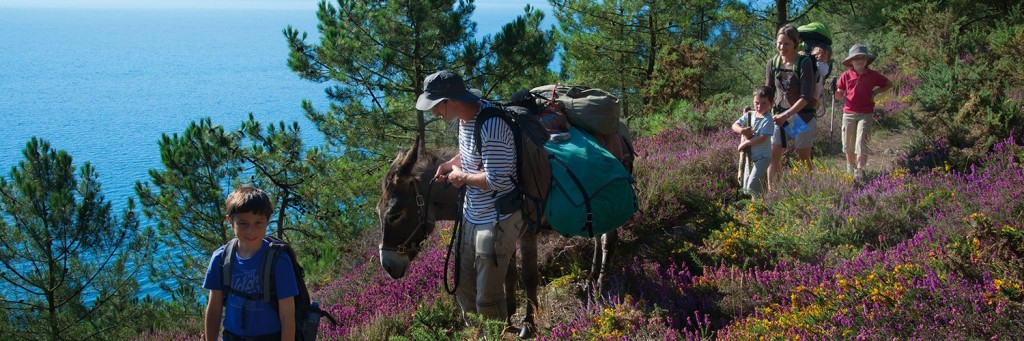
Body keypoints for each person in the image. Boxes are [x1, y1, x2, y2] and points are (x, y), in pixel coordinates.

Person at [416, 70, 524, 328]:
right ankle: (476, 334)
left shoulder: (492, 124)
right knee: (464, 289)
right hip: (471, 215)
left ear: (451, 100)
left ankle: (496, 333)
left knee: (487, 298)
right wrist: (449, 165)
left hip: (496, 220)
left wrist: (462, 178)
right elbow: (471, 156)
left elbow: (498, 179)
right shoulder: (464, 121)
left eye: (435, 106)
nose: (434, 113)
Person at [203, 187, 298, 341]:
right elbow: (214, 308)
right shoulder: (220, 258)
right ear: (230, 221)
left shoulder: (279, 261)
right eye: (243, 223)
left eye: (258, 223)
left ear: (267, 220)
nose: (251, 230)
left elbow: (287, 316)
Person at [766, 23, 818, 191]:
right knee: (774, 157)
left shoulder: (804, 63)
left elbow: (805, 97)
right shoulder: (772, 63)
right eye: (779, 43)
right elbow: (768, 91)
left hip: (802, 116)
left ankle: (807, 192)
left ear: (795, 43)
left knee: (802, 156)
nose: (781, 47)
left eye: (786, 43)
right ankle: (774, 194)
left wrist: (786, 115)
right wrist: (757, 108)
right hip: (779, 117)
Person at [835, 44, 892, 179]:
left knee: (862, 142)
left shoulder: (873, 75)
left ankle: (859, 172)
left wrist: (876, 92)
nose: (859, 60)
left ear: (866, 60)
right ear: (851, 61)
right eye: (856, 58)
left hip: (866, 113)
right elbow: (839, 95)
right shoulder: (846, 75)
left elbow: (889, 84)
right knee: (848, 144)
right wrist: (834, 91)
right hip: (848, 113)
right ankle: (850, 169)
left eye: (862, 57)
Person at [733, 86, 777, 195]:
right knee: (747, 186)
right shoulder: (749, 115)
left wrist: (745, 143)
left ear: (771, 104)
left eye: (764, 103)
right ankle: (756, 207)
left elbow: (762, 138)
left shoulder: (768, 119)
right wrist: (742, 130)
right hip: (750, 156)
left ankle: (761, 205)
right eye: (757, 103)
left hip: (763, 157)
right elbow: (734, 125)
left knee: (752, 183)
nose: (759, 106)